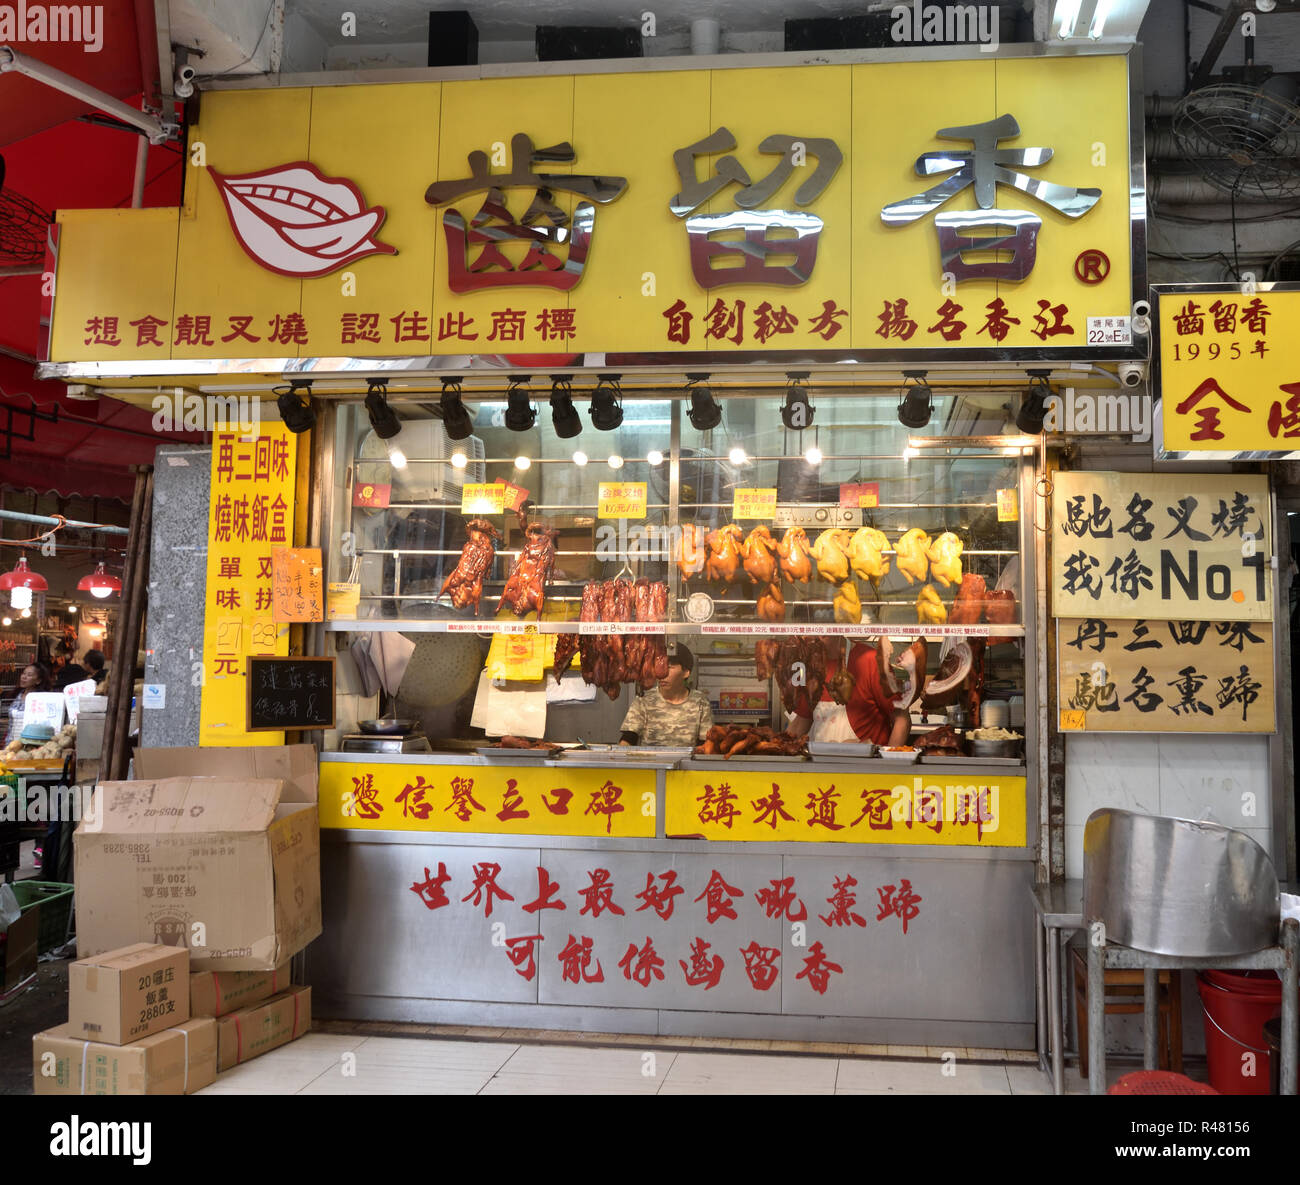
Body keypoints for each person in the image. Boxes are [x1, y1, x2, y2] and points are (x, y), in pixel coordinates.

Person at [787, 640, 911, 747]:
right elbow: (802, 720)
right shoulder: (810, 666)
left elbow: (902, 718)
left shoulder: (869, 660)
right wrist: (778, 747)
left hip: (867, 769)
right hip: (822, 767)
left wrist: (890, 764)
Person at [620, 644, 713, 747]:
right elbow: (629, 737)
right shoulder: (644, 700)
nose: (661, 674)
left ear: (686, 673)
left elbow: (706, 743)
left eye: (669, 667)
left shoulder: (700, 701)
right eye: (659, 667)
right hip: (651, 761)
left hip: (686, 762)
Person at [4, 661, 54, 746]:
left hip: (29, 745)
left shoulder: (41, 700)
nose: (24, 677)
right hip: (12, 744)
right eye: (23, 673)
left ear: (38, 680)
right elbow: (11, 724)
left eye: (29, 675)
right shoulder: (17, 696)